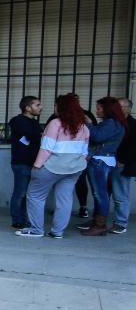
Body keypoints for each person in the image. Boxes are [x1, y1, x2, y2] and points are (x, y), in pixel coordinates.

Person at [16, 94, 89, 239]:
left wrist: (37, 166)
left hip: (52, 167)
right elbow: (85, 152)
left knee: (35, 196)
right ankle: (57, 232)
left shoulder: (55, 123)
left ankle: (36, 230)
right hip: (74, 169)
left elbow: (46, 148)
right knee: (65, 199)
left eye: (56, 105)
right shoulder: (83, 126)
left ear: (61, 107)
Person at [80, 97, 126, 236]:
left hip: (100, 162)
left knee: (100, 194)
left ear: (107, 109)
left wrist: (87, 124)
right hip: (104, 160)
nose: (97, 110)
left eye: (99, 108)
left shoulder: (111, 123)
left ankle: (100, 225)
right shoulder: (113, 123)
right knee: (100, 194)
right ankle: (97, 221)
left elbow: (98, 137)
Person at [8, 96, 42, 229]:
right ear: (27, 108)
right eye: (37, 105)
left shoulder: (34, 122)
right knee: (20, 192)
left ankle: (23, 219)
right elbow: (31, 135)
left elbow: (37, 137)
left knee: (28, 194)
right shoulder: (18, 121)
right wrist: (39, 135)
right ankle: (17, 219)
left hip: (33, 162)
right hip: (21, 162)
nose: (40, 107)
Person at [109, 98, 135, 234]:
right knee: (103, 193)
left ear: (129, 109)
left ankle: (121, 223)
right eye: (117, 106)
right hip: (108, 162)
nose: (119, 108)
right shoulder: (113, 122)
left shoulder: (133, 124)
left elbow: (133, 147)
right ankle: (98, 220)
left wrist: (123, 161)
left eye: (122, 106)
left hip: (121, 164)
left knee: (120, 194)